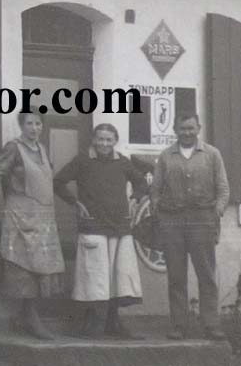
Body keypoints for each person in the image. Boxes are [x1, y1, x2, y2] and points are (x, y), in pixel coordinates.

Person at [53, 123, 147, 339]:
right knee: (95, 278)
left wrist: (135, 199)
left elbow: (142, 183)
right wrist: (75, 202)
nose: (104, 144)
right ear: (93, 140)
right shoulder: (82, 160)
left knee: (117, 277)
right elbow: (58, 182)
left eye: (109, 140)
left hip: (120, 227)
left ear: (115, 141)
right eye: (100, 139)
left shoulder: (122, 162)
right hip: (93, 226)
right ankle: (95, 325)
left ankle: (113, 323)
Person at [150, 112, 229, 341]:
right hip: (172, 222)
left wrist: (216, 212)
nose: (187, 132)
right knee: (176, 276)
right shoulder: (166, 156)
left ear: (198, 128)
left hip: (202, 220)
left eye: (191, 128)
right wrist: (160, 215)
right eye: (182, 128)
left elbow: (223, 189)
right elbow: (155, 190)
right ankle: (179, 325)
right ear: (175, 130)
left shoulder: (212, 154)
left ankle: (211, 325)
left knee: (206, 275)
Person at [0, 111, 65, 340]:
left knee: (40, 264)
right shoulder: (13, 148)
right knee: (23, 265)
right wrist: (3, 210)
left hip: (42, 216)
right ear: (21, 125)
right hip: (20, 214)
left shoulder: (42, 149)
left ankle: (25, 317)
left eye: (38, 123)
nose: (34, 128)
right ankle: (31, 319)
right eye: (29, 123)